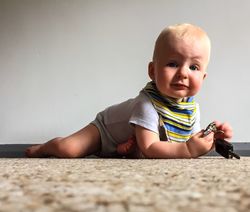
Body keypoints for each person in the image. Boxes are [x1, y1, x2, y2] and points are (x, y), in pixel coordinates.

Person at [26, 23, 232, 159]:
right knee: (69, 150)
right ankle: (46, 147)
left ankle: (124, 149)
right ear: (152, 71)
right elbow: (151, 148)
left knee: (137, 152)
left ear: (203, 77)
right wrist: (187, 150)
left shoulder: (191, 108)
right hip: (106, 130)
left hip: (135, 140)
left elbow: (188, 140)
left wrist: (211, 139)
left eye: (194, 67)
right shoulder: (147, 103)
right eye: (172, 64)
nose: (183, 74)